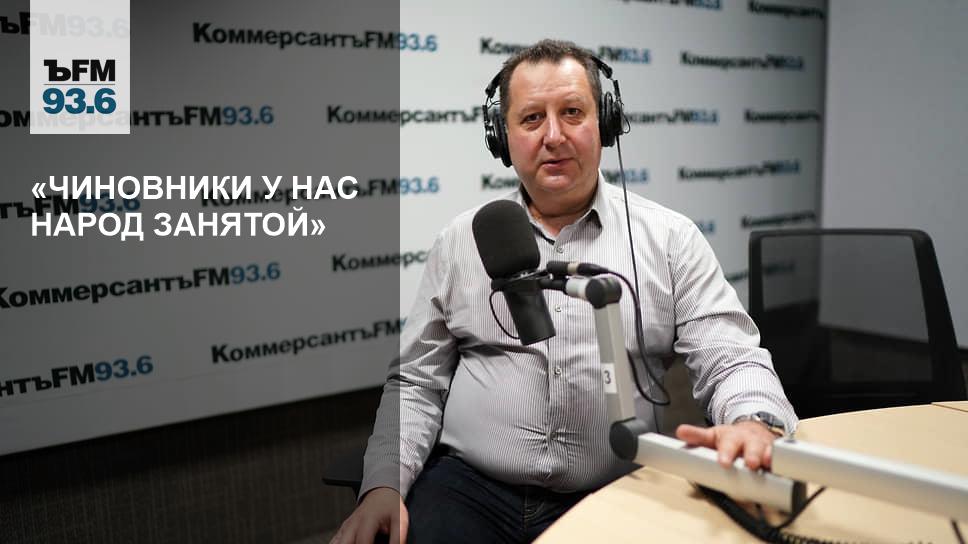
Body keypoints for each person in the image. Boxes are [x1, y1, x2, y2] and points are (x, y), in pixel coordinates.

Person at [332, 39, 797, 544]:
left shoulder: (670, 240)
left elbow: (730, 358)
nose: (553, 136)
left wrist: (754, 422)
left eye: (573, 112)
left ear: (606, 122)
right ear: (501, 136)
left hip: (612, 489)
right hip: (470, 489)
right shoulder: (459, 242)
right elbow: (416, 382)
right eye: (532, 118)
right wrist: (384, 484)